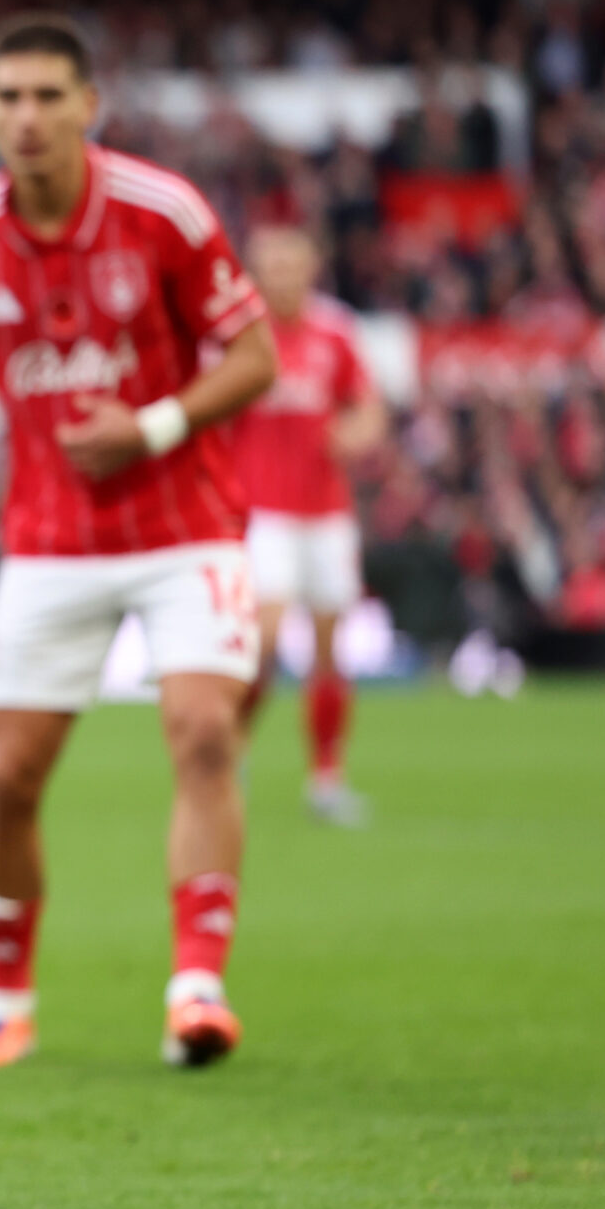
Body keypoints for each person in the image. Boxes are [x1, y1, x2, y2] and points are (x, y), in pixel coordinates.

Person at [0, 13, 279, 1074]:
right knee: (10, 772)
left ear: (88, 105)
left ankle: (197, 990)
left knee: (204, 733)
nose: (25, 116)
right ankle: (3, 1002)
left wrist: (151, 426)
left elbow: (253, 355)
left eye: (45, 96)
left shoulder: (163, 213)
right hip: (48, 542)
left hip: (184, 526)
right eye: (6, 97)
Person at [234, 224, 386, 825]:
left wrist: (357, 433)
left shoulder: (335, 332)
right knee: (265, 640)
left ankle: (326, 778)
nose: (283, 278)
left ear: (310, 269)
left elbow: (367, 406)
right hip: (263, 510)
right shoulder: (240, 335)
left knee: (329, 649)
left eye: (292, 266)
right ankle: (233, 751)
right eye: (272, 267)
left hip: (326, 512)